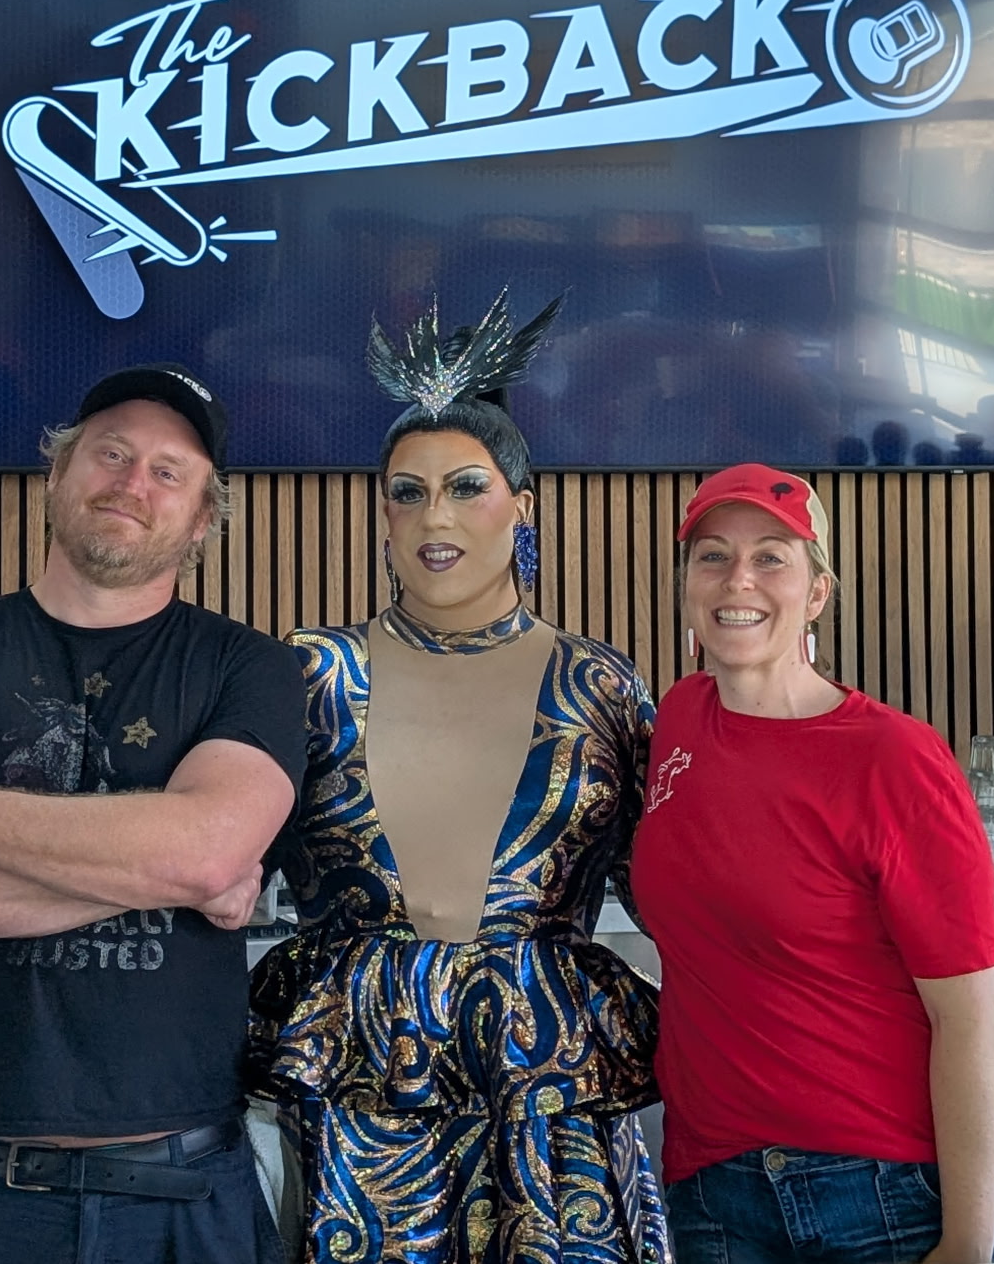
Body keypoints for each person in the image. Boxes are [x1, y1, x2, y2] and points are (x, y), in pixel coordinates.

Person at [0, 364, 308, 1264]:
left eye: (170, 471)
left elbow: (211, 851)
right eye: (112, 453)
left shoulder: (249, 668)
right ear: (58, 473)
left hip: (186, 1192)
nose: (134, 483)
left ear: (203, 519)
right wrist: (171, 870)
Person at [248, 293, 668, 1263]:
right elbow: (216, 869)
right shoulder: (313, 672)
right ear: (381, 514)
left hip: (549, 1072)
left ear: (521, 506)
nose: (433, 518)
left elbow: (673, 897)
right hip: (362, 1076)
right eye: (406, 490)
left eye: (465, 486)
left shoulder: (596, 684)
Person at [629, 465, 994, 1264]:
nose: (738, 579)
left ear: (817, 593)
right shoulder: (677, 721)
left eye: (772, 556)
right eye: (713, 556)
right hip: (714, 1188)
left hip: (887, 1192)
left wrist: (967, 1244)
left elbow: (966, 1018)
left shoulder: (894, 759)